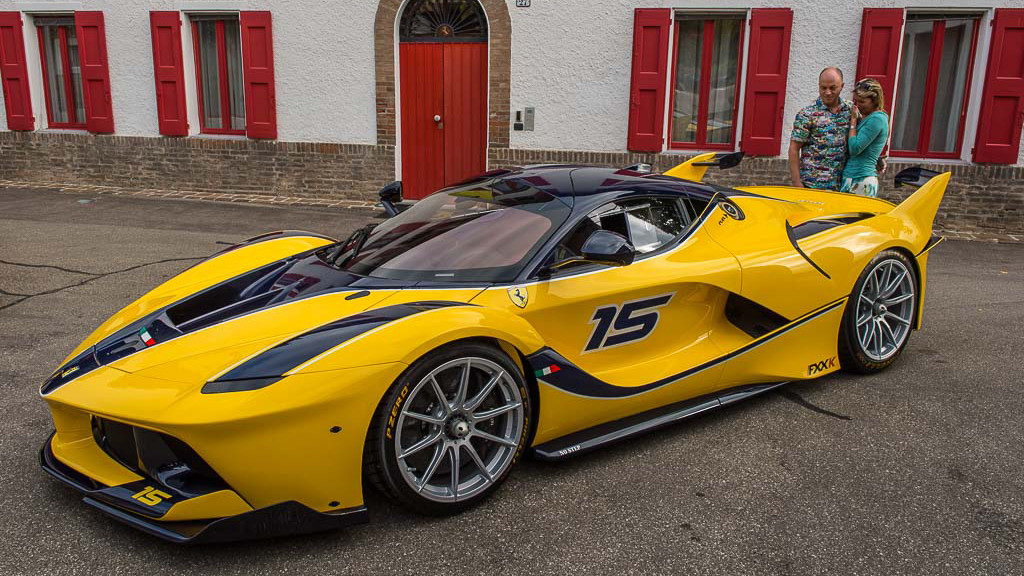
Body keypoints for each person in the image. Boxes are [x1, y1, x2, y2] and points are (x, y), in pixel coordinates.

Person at [788, 67, 851, 190]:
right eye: (823, 88)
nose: (827, 92)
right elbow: (794, 148)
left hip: (842, 187)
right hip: (813, 186)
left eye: (833, 88)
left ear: (842, 86)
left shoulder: (850, 110)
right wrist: (797, 183)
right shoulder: (807, 114)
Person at [841, 78, 889, 197]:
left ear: (875, 100)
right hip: (853, 177)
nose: (858, 105)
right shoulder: (868, 118)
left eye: (862, 102)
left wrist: (853, 121)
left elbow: (855, 148)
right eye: (856, 101)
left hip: (862, 179)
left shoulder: (877, 119)